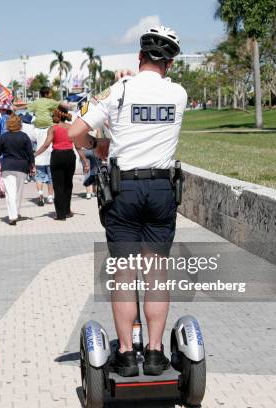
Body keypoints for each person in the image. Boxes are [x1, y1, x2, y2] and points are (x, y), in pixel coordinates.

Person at [68, 25, 187, 377]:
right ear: (169, 63)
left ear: (139, 57)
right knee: (155, 274)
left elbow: (76, 130)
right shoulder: (179, 94)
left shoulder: (119, 89)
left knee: (123, 273)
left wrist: (96, 146)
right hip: (163, 188)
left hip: (126, 189)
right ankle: (153, 352)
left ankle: (124, 353)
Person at [35, 107, 88, 220]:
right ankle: (67, 210)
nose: (52, 117)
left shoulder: (53, 129)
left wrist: (35, 154)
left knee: (58, 186)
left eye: (53, 115)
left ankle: (60, 214)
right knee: (68, 185)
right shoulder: (71, 128)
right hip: (69, 156)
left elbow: (45, 145)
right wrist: (85, 161)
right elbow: (78, 147)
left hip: (57, 156)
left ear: (58, 116)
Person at [0, 114, 35, 225]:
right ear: (20, 124)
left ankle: (12, 216)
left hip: (8, 166)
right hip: (22, 166)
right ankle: (16, 212)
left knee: (10, 192)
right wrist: (32, 165)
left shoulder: (3, 137)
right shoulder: (24, 136)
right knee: (18, 191)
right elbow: (30, 153)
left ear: (8, 124)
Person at [27, 86, 60, 205]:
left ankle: (40, 194)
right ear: (47, 93)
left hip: (38, 158)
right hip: (50, 156)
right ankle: (50, 197)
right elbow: (61, 106)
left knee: (39, 177)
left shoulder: (34, 130)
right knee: (51, 178)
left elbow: (31, 141)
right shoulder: (51, 130)